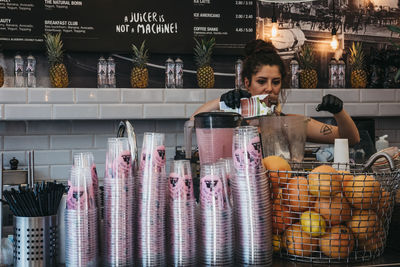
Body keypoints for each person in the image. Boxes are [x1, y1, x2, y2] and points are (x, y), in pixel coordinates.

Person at [191, 39, 360, 146]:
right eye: (261, 81)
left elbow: (351, 139)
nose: (270, 88)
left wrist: (339, 112)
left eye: (276, 82)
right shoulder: (232, 124)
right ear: (247, 83)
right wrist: (220, 102)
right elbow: (192, 125)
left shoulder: (290, 124)